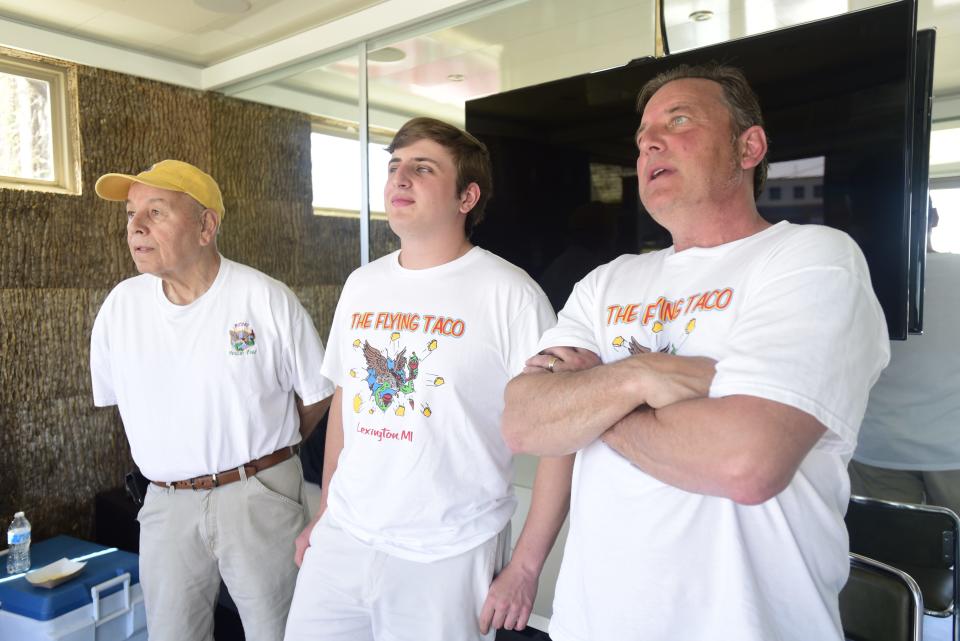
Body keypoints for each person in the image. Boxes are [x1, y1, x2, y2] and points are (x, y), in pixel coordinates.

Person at [501, 63, 890, 641]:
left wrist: (592, 401)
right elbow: (524, 421)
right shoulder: (606, 281)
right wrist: (644, 376)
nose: (649, 141)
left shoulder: (813, 260)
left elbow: (745, 461)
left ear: (749, 146)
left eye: (678, 120)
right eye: (641, 137)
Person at [283, 117, 567, 641]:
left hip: (448, 552)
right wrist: (324, 514)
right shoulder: (362, 283)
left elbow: (562, 435)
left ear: (467, 197)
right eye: (394, 167)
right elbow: (348, 406)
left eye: (422, 168)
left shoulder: (510, 294)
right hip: (345, 538)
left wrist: (526, 567)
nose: (399, 178)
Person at [90, 159, 334, 641]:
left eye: (155, 212)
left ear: (206, 225)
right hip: (165, 503)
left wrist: (268, 450)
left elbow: (318, 395)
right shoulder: (122, 306)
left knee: (279, 631)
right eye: (131, 214)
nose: (135, 227)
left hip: (258, 495)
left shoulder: (264, 298)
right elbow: (129, 402)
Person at [851, 204, 960, 515]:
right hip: (954, 448)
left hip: (877, 447)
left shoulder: (856, 279)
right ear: (935, 218)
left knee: (889, 559)